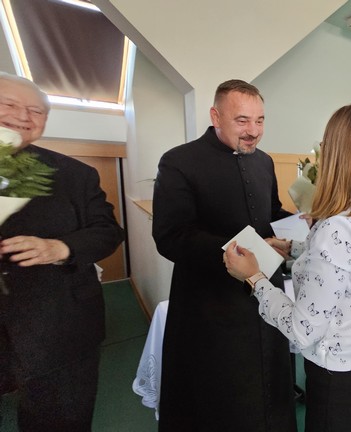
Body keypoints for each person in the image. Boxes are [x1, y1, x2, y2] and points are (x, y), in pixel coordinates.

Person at [224, 101, 351, 432]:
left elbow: (303, 330)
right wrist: (295, 248)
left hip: (342, 383)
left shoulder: (336, 229)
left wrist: (254, 278)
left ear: (338, 154)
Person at [152, 79, 297, 430]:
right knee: (220, 400)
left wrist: (297, 228)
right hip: (211, 307)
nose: (253, 131)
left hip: (265, 296)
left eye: (259, 120)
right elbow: (171, 236)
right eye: (242, 120)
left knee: (271, 391)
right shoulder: (179, 162)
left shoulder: (264, 162)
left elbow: (270, 213)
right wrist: (242, 251)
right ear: (216, 117)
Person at [0, 72, 124, 430]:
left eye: (35, 111)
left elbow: (108, 231)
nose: (23, 116)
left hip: (59, 324)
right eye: (9, 104)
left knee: (60, 418)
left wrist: (60, 248)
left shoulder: (76, 174)